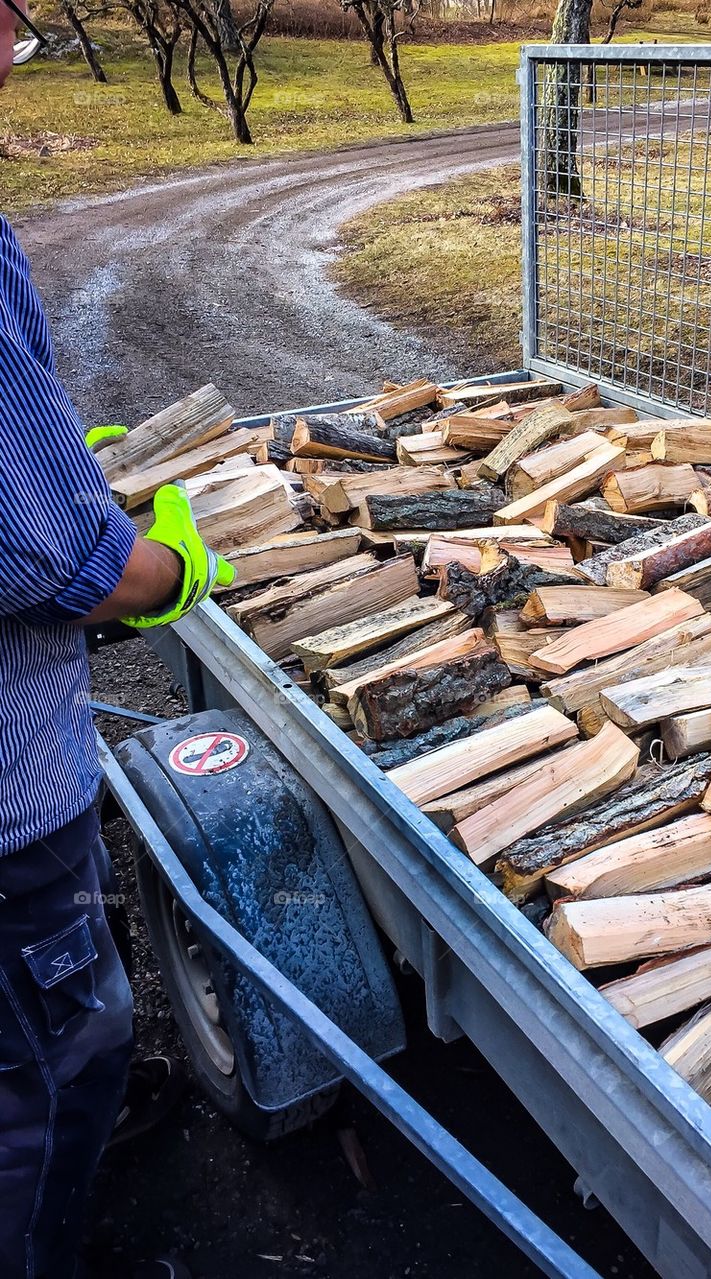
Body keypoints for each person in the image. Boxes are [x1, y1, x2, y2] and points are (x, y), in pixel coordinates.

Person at [0, 3, 234, 1275]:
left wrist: (53, 475)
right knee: (39, 1083)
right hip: (4, 811)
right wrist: (160, 568)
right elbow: (55, 570)